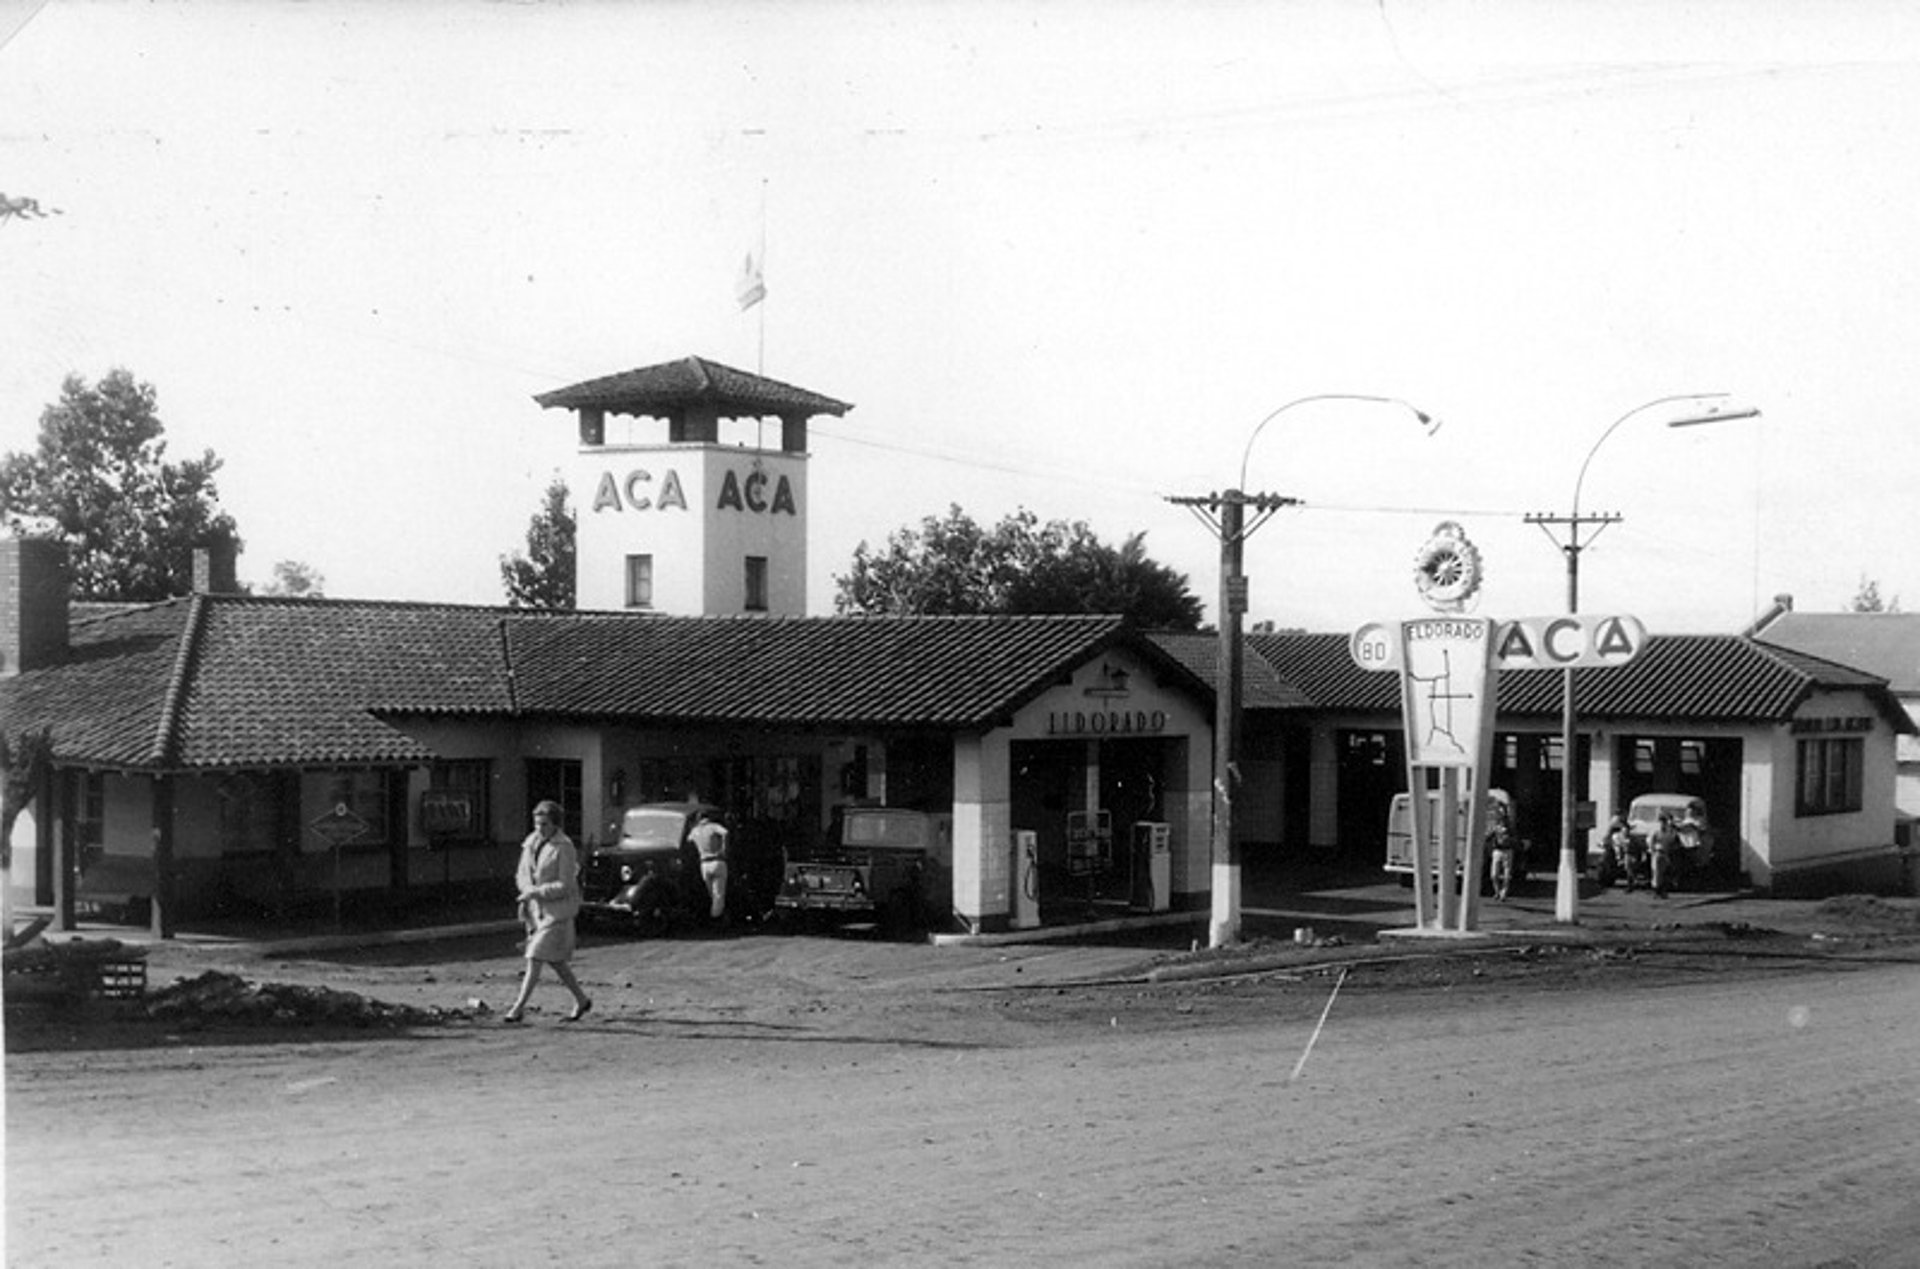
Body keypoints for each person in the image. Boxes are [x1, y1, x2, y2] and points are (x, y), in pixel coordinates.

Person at [503, 800, 592, 1024]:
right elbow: (522, 874)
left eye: (544, 824)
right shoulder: (530, 843)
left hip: (558, 912)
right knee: (555, 961)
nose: (539, 829)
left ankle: (518, 1008)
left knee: (534, 955)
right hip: (536, 913)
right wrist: (526, 892)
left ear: (555, 825)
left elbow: (566, 885)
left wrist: (536, 892)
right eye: (537, 824)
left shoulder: (565, 847)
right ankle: (581, 999)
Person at [688, 807, 730, 925]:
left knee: (711, 893)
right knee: (719, 893)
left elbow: (689, 840)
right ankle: (717, 919)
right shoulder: (713, 826)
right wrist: (724, 849)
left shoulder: (695, 831)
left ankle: (715, 915)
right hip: (717, 860)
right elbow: (725, 832)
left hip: (704, 863)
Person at [1649, 811, 1682, 898]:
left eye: (1664, 822)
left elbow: (1674, 842)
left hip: (1666, 853)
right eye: (1661, 822)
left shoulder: (1669, 833)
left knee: (1664, 873)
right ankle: (1656, 891)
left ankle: (1662, 891)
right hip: (1658, 853)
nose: (1662, 824)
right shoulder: (1656, 832)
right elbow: (1651, 843)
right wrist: (1653, 851)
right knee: (1657, 873)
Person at [1487, 822, 1515, 902]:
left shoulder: (1510, 830)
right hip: (1497, 850)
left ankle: (1504, 893)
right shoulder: (1496, 829)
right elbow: (1488, 838)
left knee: (1507, 874)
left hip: (1507, 851)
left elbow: (1514, 839)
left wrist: (1508, 837)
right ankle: (1497, 891)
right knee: (1494, 874)